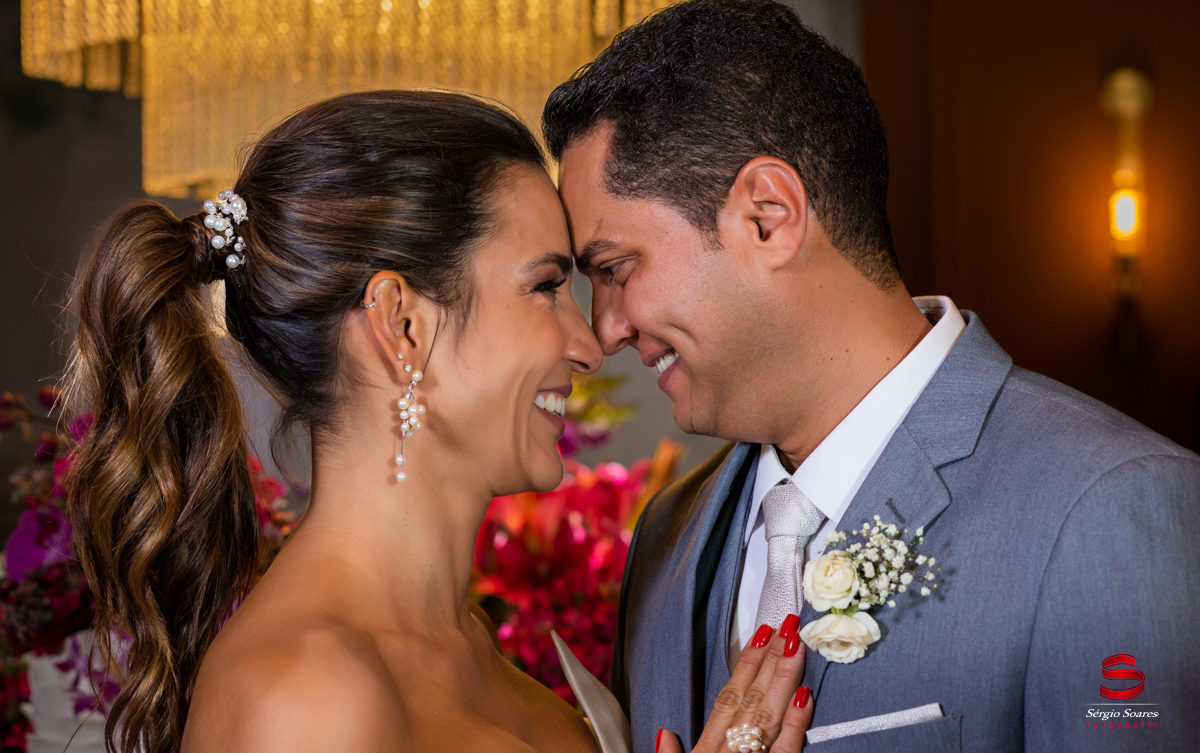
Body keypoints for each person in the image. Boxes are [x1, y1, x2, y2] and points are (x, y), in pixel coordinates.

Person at [543, 0, 1200, 753]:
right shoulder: (667, 533)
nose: (606, 329)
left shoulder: (1110, 508)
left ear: (768, 216)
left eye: (616, 269)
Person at [64, 90, 813, 753]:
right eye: (545, 287)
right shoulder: (303, 691)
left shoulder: (473, 654)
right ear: (402, 325)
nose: (589, 345)